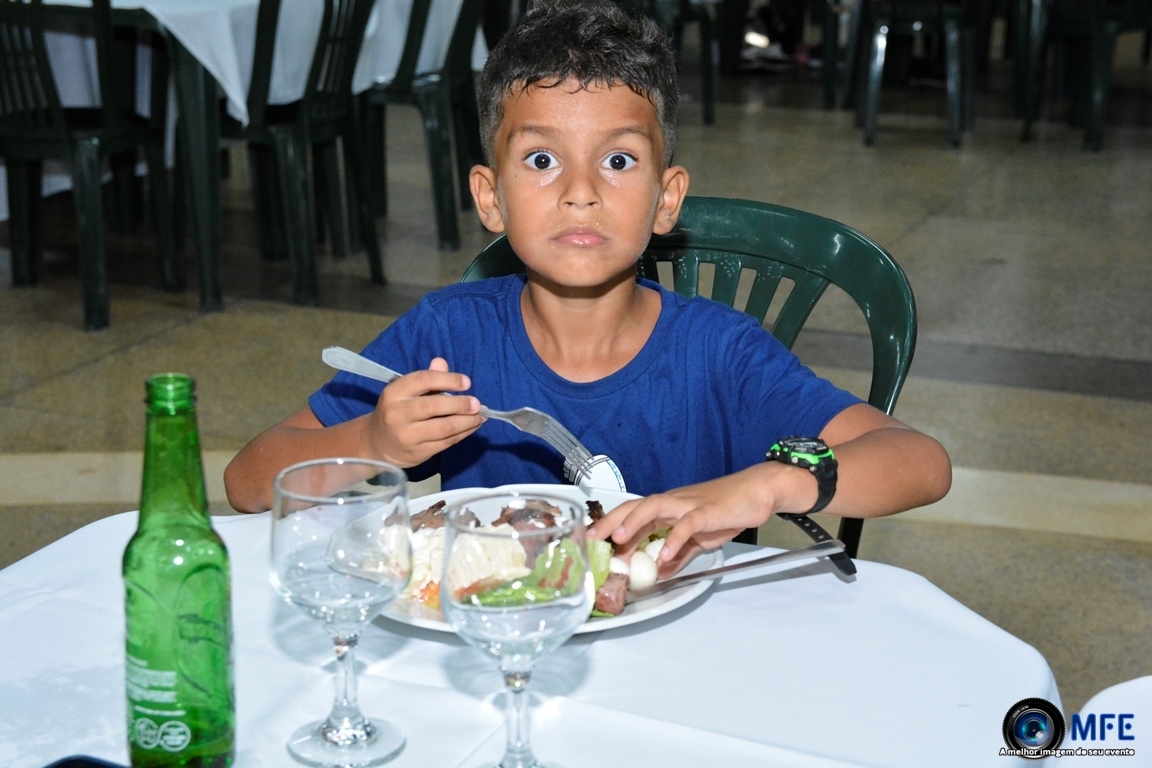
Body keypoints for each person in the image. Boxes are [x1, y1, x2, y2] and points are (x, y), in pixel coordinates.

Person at [224, 0, 951, 573]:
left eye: (619, 161)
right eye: (541, 160)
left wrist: (769, 483)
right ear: (490, 197)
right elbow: (248, 483)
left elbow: (920, 463)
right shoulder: (448, 335)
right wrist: (373, 440)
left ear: (666, 199)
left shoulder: (719, 353)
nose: (580, 191)